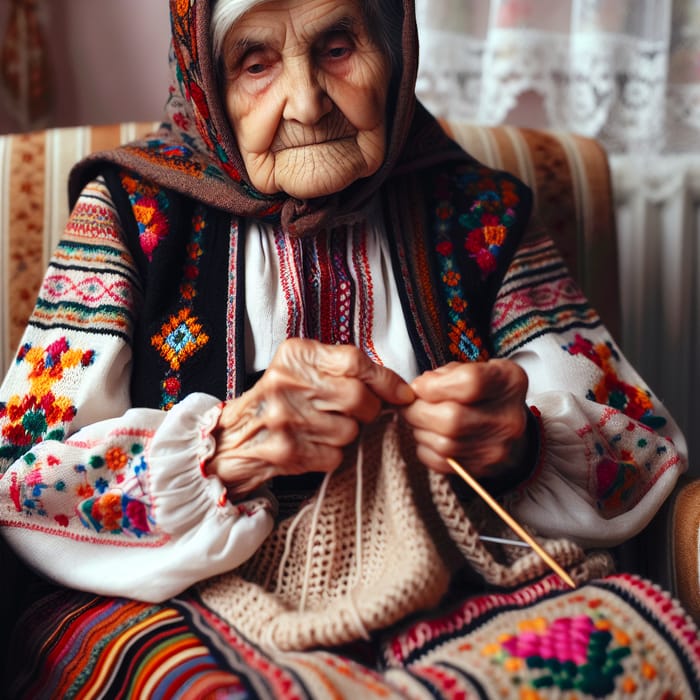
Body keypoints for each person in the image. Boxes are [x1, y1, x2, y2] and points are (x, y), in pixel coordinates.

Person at [0, 0, 697, 696]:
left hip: (453, 583)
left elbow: (640, 446)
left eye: (337, 47)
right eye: (256, 63)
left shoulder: (480, 211)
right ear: (207, 80)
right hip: (180, 608)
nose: (305, 103)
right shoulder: (129, 210)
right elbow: (18, 474)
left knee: (613, 661)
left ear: (394, 49)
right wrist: (223, 451)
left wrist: (524, 444)